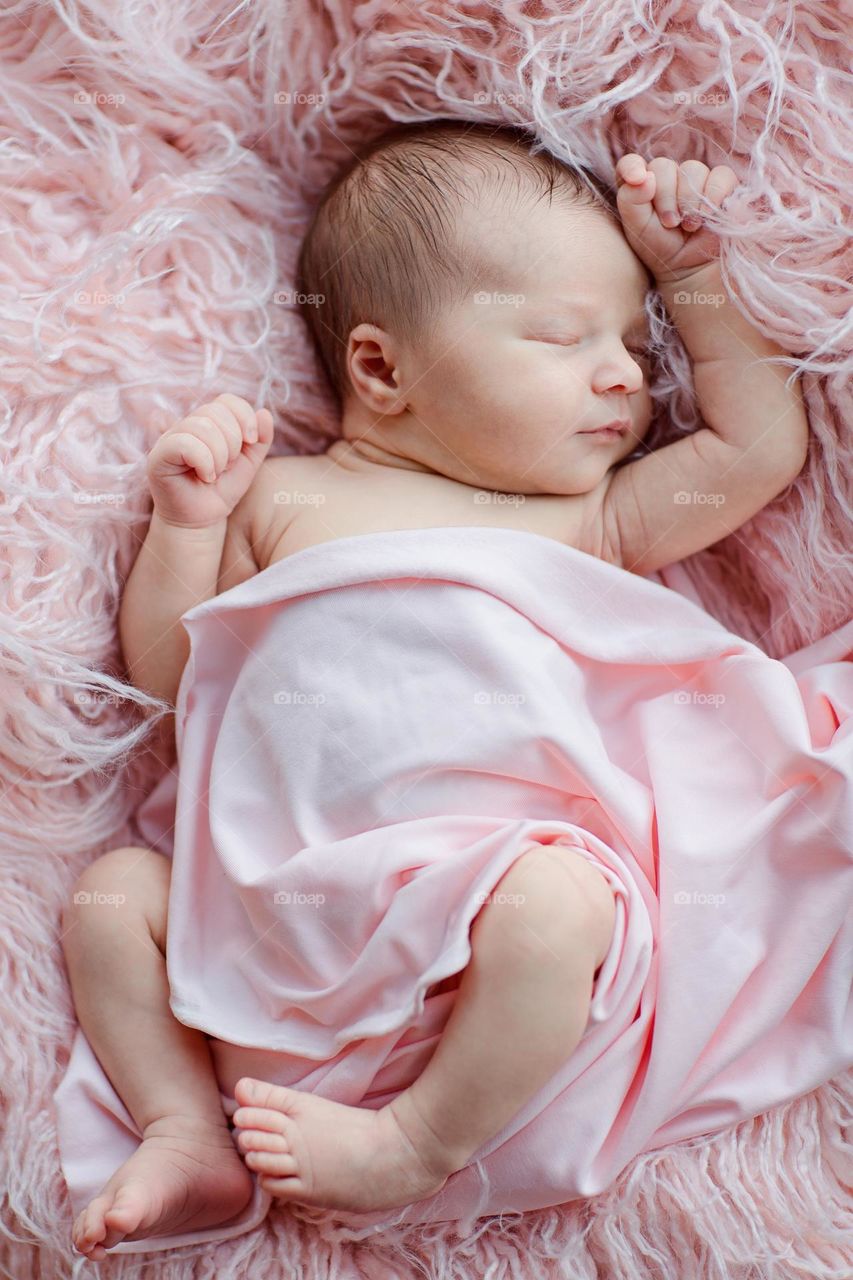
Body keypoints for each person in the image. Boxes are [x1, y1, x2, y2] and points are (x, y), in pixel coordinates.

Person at [61, 120, 809, 1260]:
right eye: (563, 336)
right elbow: (176, 678)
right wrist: (185, 524)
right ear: (379, 368)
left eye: (627, 336)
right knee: (113, 897)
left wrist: (696, 279)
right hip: (275, 923)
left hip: (488, 934)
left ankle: (418, 1137)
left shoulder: (583, 520)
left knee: (563, 901)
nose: (621, 371)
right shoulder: (281, 502)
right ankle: (181, 1124)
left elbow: (756, 453)